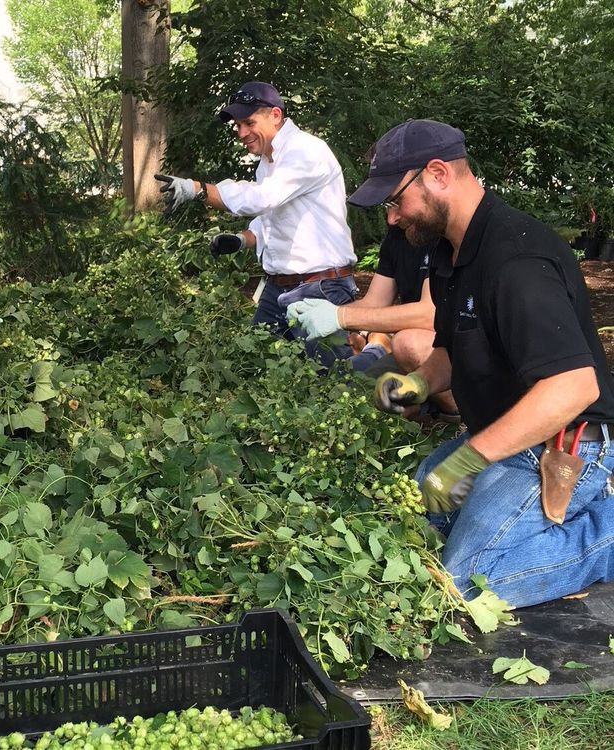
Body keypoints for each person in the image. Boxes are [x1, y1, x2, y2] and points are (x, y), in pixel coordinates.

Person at [353, 118, 614, 607]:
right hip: (502, 440)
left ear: (437, 174)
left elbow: (574, 388)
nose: (392, 217)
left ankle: (605, 532)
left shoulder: (515, 261)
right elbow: (452, 351)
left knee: (465, 584)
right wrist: (416, 384)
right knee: (415, 520)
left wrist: (468, 462)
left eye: (395, 200)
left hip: (561, 447)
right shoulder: (454, 253)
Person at [155, 81, 357, 352]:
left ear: (275, 115)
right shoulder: (268, 161)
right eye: (238, 125)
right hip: (279, 288)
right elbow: (274, 217)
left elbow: (264, 198)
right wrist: (243, 239)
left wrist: (200, 190)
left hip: (319, 286)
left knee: (329, 381)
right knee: (255, 365)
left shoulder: (306, 151)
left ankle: (375, 355)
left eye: (249, 122)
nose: (242, 132)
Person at [287, 226, 460, 419]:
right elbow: (375, 302)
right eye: (387, 206)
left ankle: (457, 408)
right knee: (355, 397)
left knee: (407, 344)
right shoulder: (397, 236)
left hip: (442, 348)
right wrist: (320, 310)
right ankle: (421, 404)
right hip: (407, 355)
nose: (391, 218)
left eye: (397, 203)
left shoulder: (441, 236)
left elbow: (429, 315)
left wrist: (342, 317)